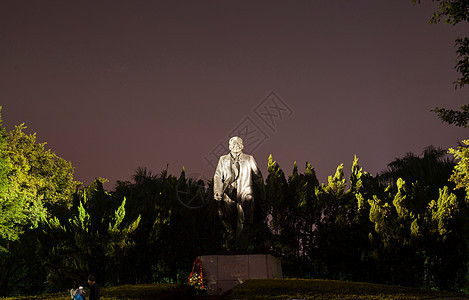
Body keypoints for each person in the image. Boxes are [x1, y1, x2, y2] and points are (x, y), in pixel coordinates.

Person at [213, 136, 264, 250]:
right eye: (233, 143)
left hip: (245, 190)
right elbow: (217, 176)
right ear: (229, 146)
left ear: (243, 146)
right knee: (231, 219)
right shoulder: (223, 159)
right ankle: (233, 241)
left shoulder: (249, 158)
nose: (236, 145)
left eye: (239, 143)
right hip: (229, 193)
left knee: (246, 210)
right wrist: (217, 190)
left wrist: (261, 194)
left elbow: (258, 177)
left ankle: (242, 245)